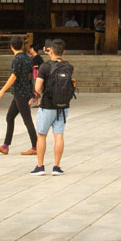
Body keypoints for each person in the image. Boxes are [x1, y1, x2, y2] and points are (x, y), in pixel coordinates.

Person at [32, 38, 76, 174]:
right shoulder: (69, 67)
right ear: (64, 52)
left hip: (47, 105)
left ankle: (40, 166)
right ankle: (56, 166)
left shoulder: (45, 67)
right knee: (59, 135)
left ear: (50, 50)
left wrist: (43, 92)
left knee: (42, 135)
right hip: (63, 106)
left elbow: (37, 86)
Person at [0, 37, 40, 155]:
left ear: (11, 47)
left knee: (27, 120)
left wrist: (1, 91)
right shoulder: (28, 58)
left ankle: (35, 147)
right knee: (10, 117)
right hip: (23, 93)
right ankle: (5, 146)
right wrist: (31, 93)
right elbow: (30, 77)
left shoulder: (17, 59)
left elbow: (14, 76)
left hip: (20, 94)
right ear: (22, 45)